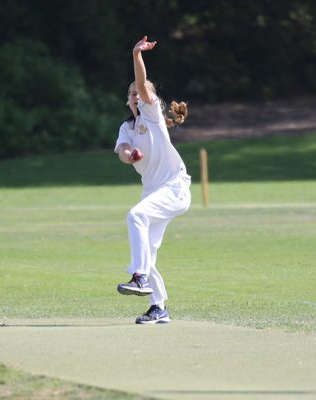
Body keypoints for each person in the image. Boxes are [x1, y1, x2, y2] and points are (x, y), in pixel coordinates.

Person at [114, 37, 191, 324]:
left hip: (174, 188)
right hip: (154, 193)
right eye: (131, 93)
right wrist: (128, 154)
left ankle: (138, 276)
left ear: (149, 98)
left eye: (139, 92)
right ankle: (159, 308)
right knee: (149, 252)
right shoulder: (127, 127)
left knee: (135, 216)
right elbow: (121, 151)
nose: (136, 95)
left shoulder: (152, 113)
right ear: (127, 100)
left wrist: (136, 55)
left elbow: (143, 83)